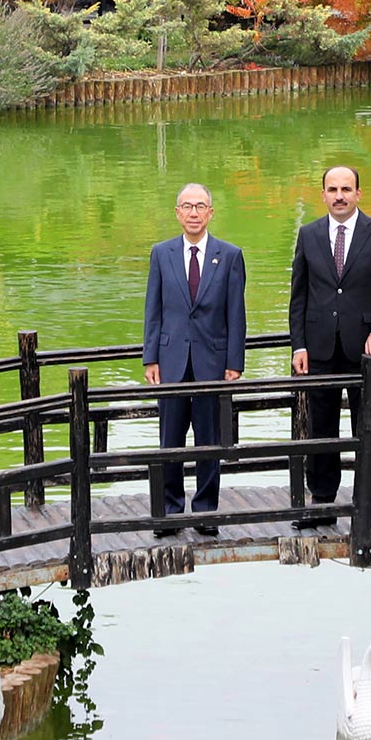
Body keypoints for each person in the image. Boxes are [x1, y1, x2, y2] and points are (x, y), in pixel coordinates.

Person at [287, 164, 371, 528]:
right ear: (322, 194)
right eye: (333, 189)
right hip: (319, 347)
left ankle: (366, 501)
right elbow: (299, 296)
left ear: (358, 194)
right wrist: (298, 345)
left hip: (363, 351)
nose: (339, 196)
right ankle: (321, 502)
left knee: (366, 426)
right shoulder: (308, 234)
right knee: (321, 426)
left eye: (346, 189)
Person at [142, 183, 245, 535]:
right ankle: (169, 511)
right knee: (169, 440)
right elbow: (153, 310)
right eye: (187, 206)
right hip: (170, 360)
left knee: (208, 440)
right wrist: (150, 357)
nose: (194, 213)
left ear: (211, 213)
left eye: (200, 206)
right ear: (177, 212)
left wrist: (234, 362)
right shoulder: (161, 253)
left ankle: (205, 511)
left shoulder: (230, 255)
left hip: (211, 363)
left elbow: (236, 313)